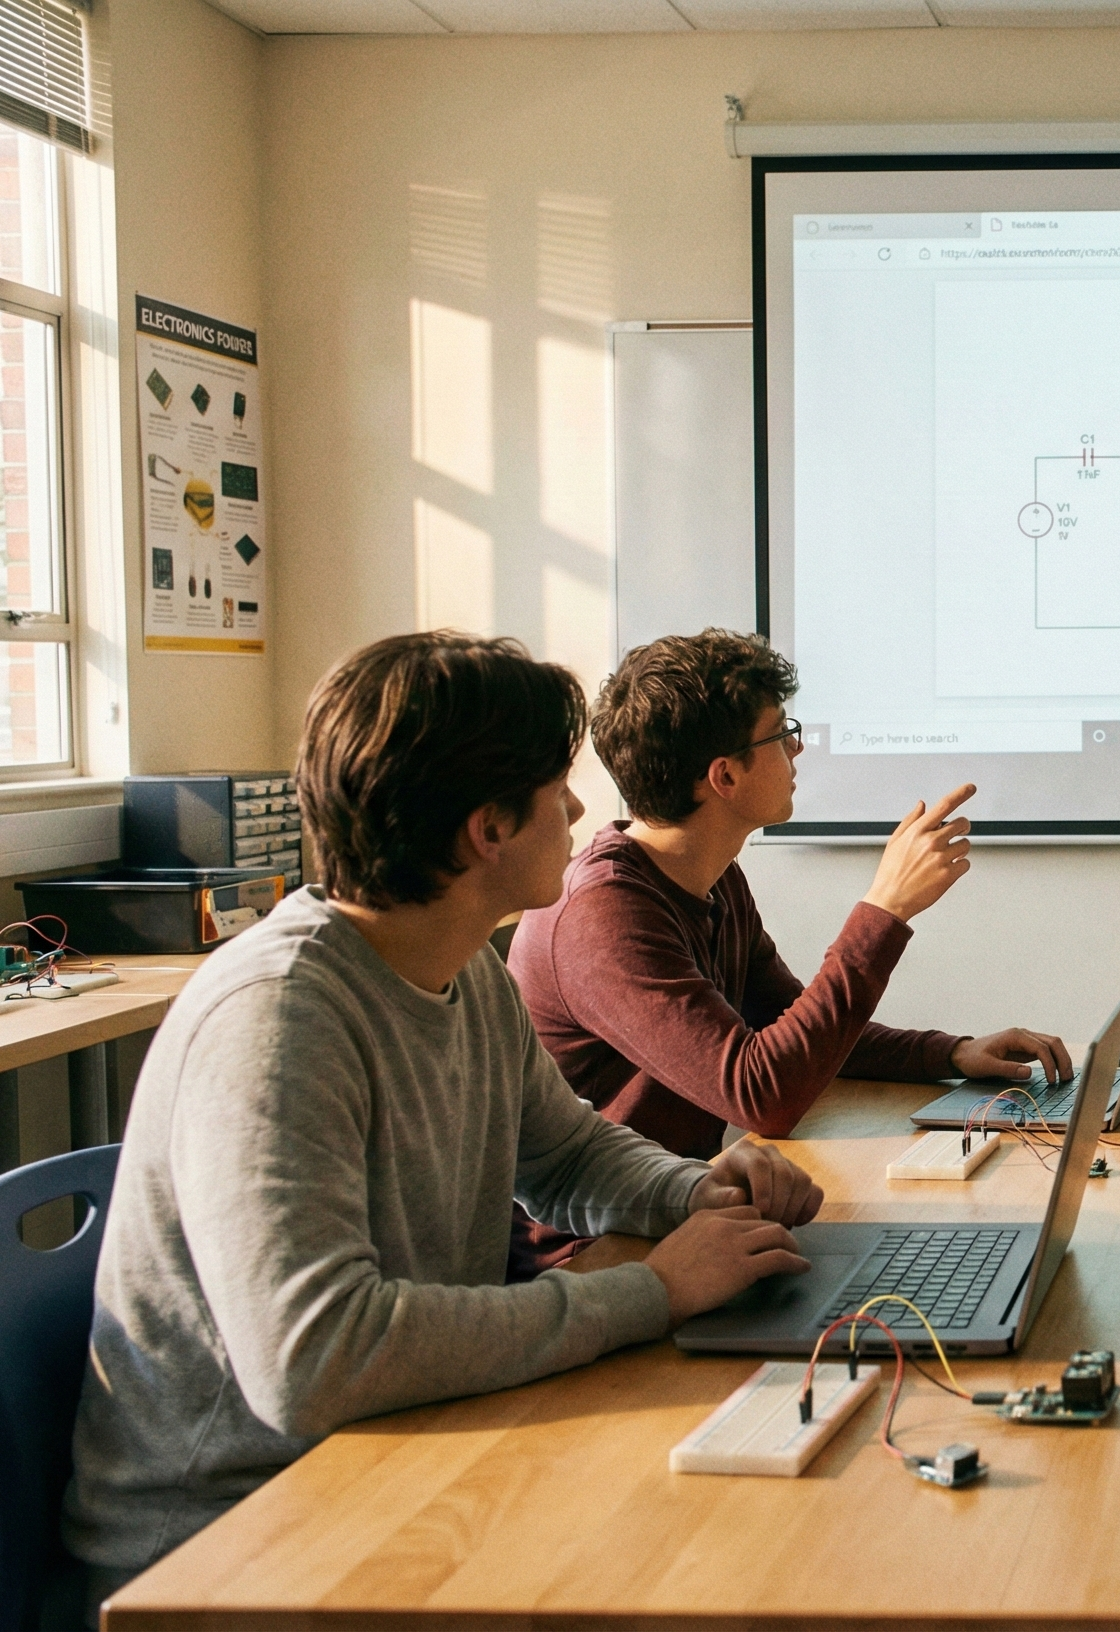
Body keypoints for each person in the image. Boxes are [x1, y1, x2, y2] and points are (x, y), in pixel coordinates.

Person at [65, 633, 821, 1592]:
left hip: (395, 1456)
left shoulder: (465, 964)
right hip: (232, 1543)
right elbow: (316, 1359)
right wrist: (650, 1293)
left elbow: (565, 1153)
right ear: (489, 831)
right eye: (557, 788)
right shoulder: (279, 1015)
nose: (582, 808)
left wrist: (696, 1191)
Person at [510, 631, 1067, 1228]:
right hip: (597, 1251)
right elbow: (764, 1094)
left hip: (684, 1216)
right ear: (724, 777)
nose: (797, 750)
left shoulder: (713, 877)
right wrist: (885, 909)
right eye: (781, 734)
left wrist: (952, 1052)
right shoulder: (604, 916)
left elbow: (793, 1032)